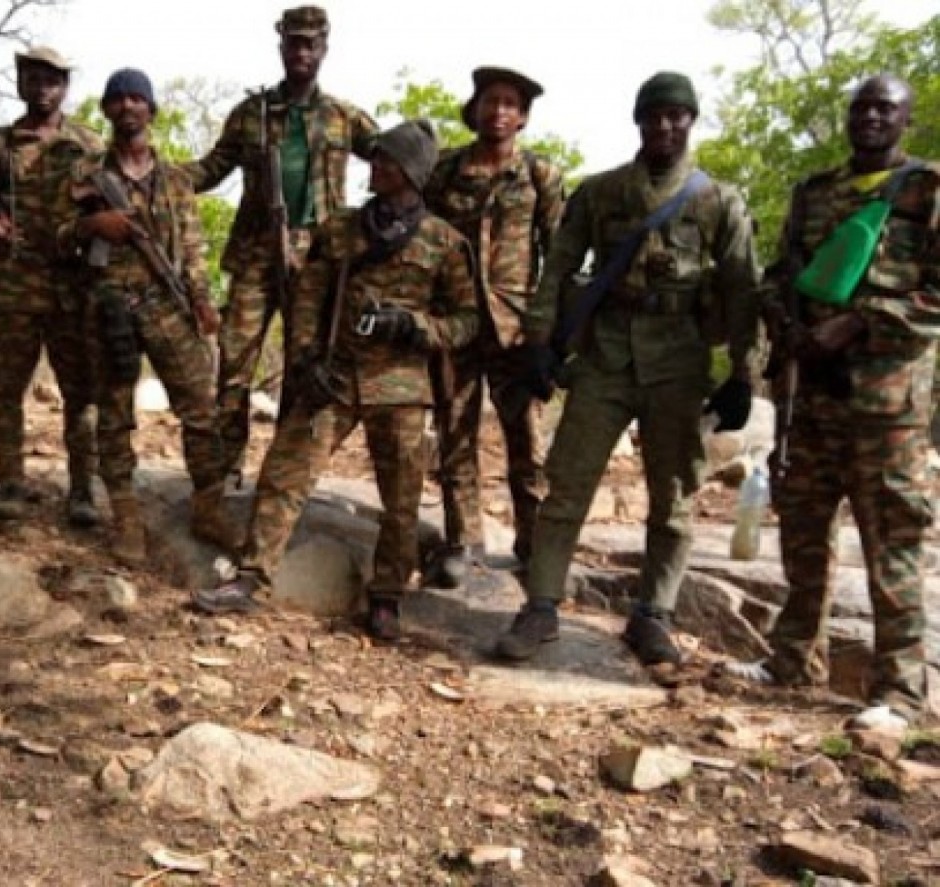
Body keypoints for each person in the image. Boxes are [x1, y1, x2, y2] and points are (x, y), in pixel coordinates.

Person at [492, 72, 760, 666]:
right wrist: (539, 342)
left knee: (675, 496)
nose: (665, 126)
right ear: (638, 121)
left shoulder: (719, 200)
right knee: (566, 486)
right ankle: (540, 607)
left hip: (680, 361)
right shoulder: (602, 192)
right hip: (606, 355)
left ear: (691, 121)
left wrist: (745, 374)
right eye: (654, 115)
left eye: (677, 116)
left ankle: (652, 615)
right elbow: (558, 264)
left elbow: (743, 289)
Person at [193, 121, 479, 640]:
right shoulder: (341, 229)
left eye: (386, 160)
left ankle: (387, 597)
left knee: (403, 498)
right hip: (335, 375)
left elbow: (467, 322)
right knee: (284, 474)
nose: (374, 167)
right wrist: (305, 357)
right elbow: (308, 296)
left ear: (410, 172)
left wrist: (414, 326)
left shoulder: (445, 242)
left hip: (401, 387)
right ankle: (252, 579)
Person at [723, 75, 937, 729]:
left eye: (884, 108)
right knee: (804, 530)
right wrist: (784, 328)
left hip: (885, 408)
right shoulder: (814, 192)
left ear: (905, 119)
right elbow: (781, 273)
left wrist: (862, 322)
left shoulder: (927, 189)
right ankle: (792, 658)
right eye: (860, 107)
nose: (870, 116)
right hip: (810, 396)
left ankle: (898, 691)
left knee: (891, 540)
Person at [183, 5, 379, 484]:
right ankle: (227, 467)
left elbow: (396, 162)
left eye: (311, 43)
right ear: (281, 47)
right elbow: (211, 168)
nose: (302, 52)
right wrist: (156, 176)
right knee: (234, 363)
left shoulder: (343, 117)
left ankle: (284, 474)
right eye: (294, 42)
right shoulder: (253, 114)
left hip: (318, 259)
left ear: (324, 49)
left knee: (305, 368)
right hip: (256, 251)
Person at [55, 69, 229, 565]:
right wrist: (94, 224)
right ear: (107, 111)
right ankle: (126, 517)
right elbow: (56, 237)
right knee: (112, 416)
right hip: (108, 305)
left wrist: (200, 299)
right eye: (119, 99)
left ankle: (210, 506)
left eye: (138, 99)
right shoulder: (86, 174)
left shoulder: (174, 180)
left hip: (167, 306)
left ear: (151, 111)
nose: (129, 107)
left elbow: (192, 249)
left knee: (199, 405)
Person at [421, 66, 566, 586]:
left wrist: (550, 335)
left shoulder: (539, 176)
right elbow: (423, 240)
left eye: (510, 103)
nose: (499, 111)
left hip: (517, 332)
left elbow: (561, 254)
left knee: (526, 444)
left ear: (523, 117)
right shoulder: (443, 171)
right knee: (455, 436)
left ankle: (534, 544)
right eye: (490, 101)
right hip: (456, 328)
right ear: (476, 108)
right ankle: (462, 541)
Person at [0, 47, 104, 525]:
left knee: (80, 394)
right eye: (33, 78)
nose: (42, 87)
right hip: (16, 289)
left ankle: (82, 490)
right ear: (20, 82)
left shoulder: (88, 145)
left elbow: (107, 210)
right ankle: (10, 484)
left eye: (52, 80)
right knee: (7, 390)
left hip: (71, 291)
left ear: (65, 87)